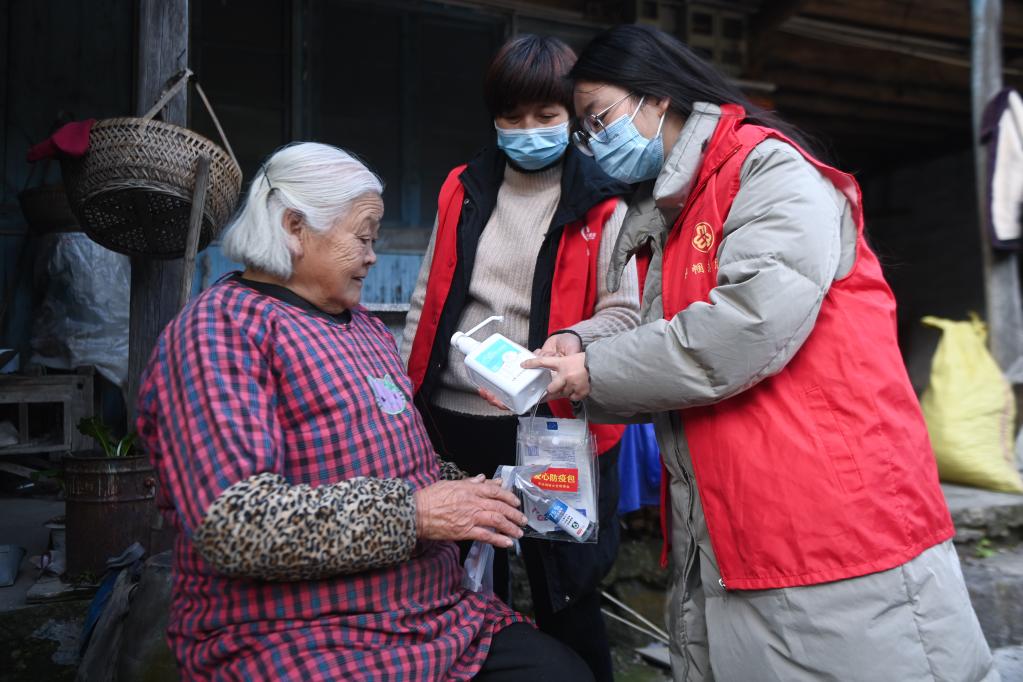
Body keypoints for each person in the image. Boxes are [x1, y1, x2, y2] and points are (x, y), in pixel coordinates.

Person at [524, 24, 998, 682]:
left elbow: (741, 327)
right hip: (742, 513)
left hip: (827, 513)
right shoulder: (678, 207)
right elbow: (665, 323)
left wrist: (591, 373)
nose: (592, 139)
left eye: (597, 116)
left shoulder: (766, 169)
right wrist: (580, 343)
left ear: (656, 98)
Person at [136, 142, 594, 681]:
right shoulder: (220, 333)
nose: (373, 256)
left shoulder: (367, 330)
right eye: (362, 237)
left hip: (431, 616)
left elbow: (403, 465)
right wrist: (417, 514)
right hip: (297, 631)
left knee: (562, 673)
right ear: (293, 227)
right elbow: (235, 523)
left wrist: (480, 492)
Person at [400, 35, 640, 682]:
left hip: (554, 422)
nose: (527, 131)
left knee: (565, 589)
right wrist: (404, 389)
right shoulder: (463, 186)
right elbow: (429, 292)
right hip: (455, 419)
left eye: (546, 117)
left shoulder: (607, 201)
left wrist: (570, 342)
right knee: (461, 587)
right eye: (511, 117)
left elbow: (627, 310)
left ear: (573, 117)